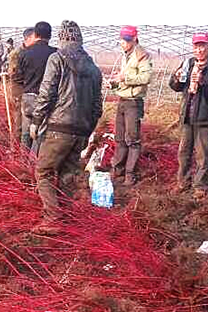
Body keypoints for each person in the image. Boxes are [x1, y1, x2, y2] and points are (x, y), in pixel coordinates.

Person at [32, 20, 102, 233]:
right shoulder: (93, 67)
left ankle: (53, 218)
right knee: (68, 174)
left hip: (58, 127)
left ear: (61, 38)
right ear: (80, 39)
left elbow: (47, 93)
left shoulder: (57, 59)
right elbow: (97, 106)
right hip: (80, 130)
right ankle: (67, 217)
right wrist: (87, 130)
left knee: (43, 172)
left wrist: (36, 120)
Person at [169, 32, 208, 199]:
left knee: (202, 154)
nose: (199, 49)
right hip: (188, 115)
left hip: (205, 117)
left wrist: (202, 81)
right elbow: (175, 86)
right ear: (193, 48)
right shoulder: (188, 63)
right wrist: (177, 79)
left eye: (202, 46)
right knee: (184, 151)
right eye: (196, 46)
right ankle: (183, 182)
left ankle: (200, 186)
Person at [109, 25, 152, 186]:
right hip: (122, 100)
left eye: (126, 40)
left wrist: (124, 77)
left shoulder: (141, 55)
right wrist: (114, 84)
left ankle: (130, 174)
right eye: (121, 40)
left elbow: (146, 77)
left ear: (134, 39)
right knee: (119, 138)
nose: (123, 43)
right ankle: (117, 169)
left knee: (132, 139)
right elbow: (123, 78)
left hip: (133, 103)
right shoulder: (125, 55)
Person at [15, 21, 57, 150]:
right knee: (39, 134)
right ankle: (33, 165)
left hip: (28, 98)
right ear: (50, 36)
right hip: (46, 100)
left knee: (26, 133)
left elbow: (18, 77)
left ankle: (22, 164)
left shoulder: (24, 53)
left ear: (36, 34)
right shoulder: (55, 54)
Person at [8, 28, 35, 144]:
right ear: (28, 38)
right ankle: (16, 145)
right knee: (19, 118)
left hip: (28, 89)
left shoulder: (31, 52)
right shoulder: (17, 54)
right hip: (19, 90)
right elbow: (14, 75)